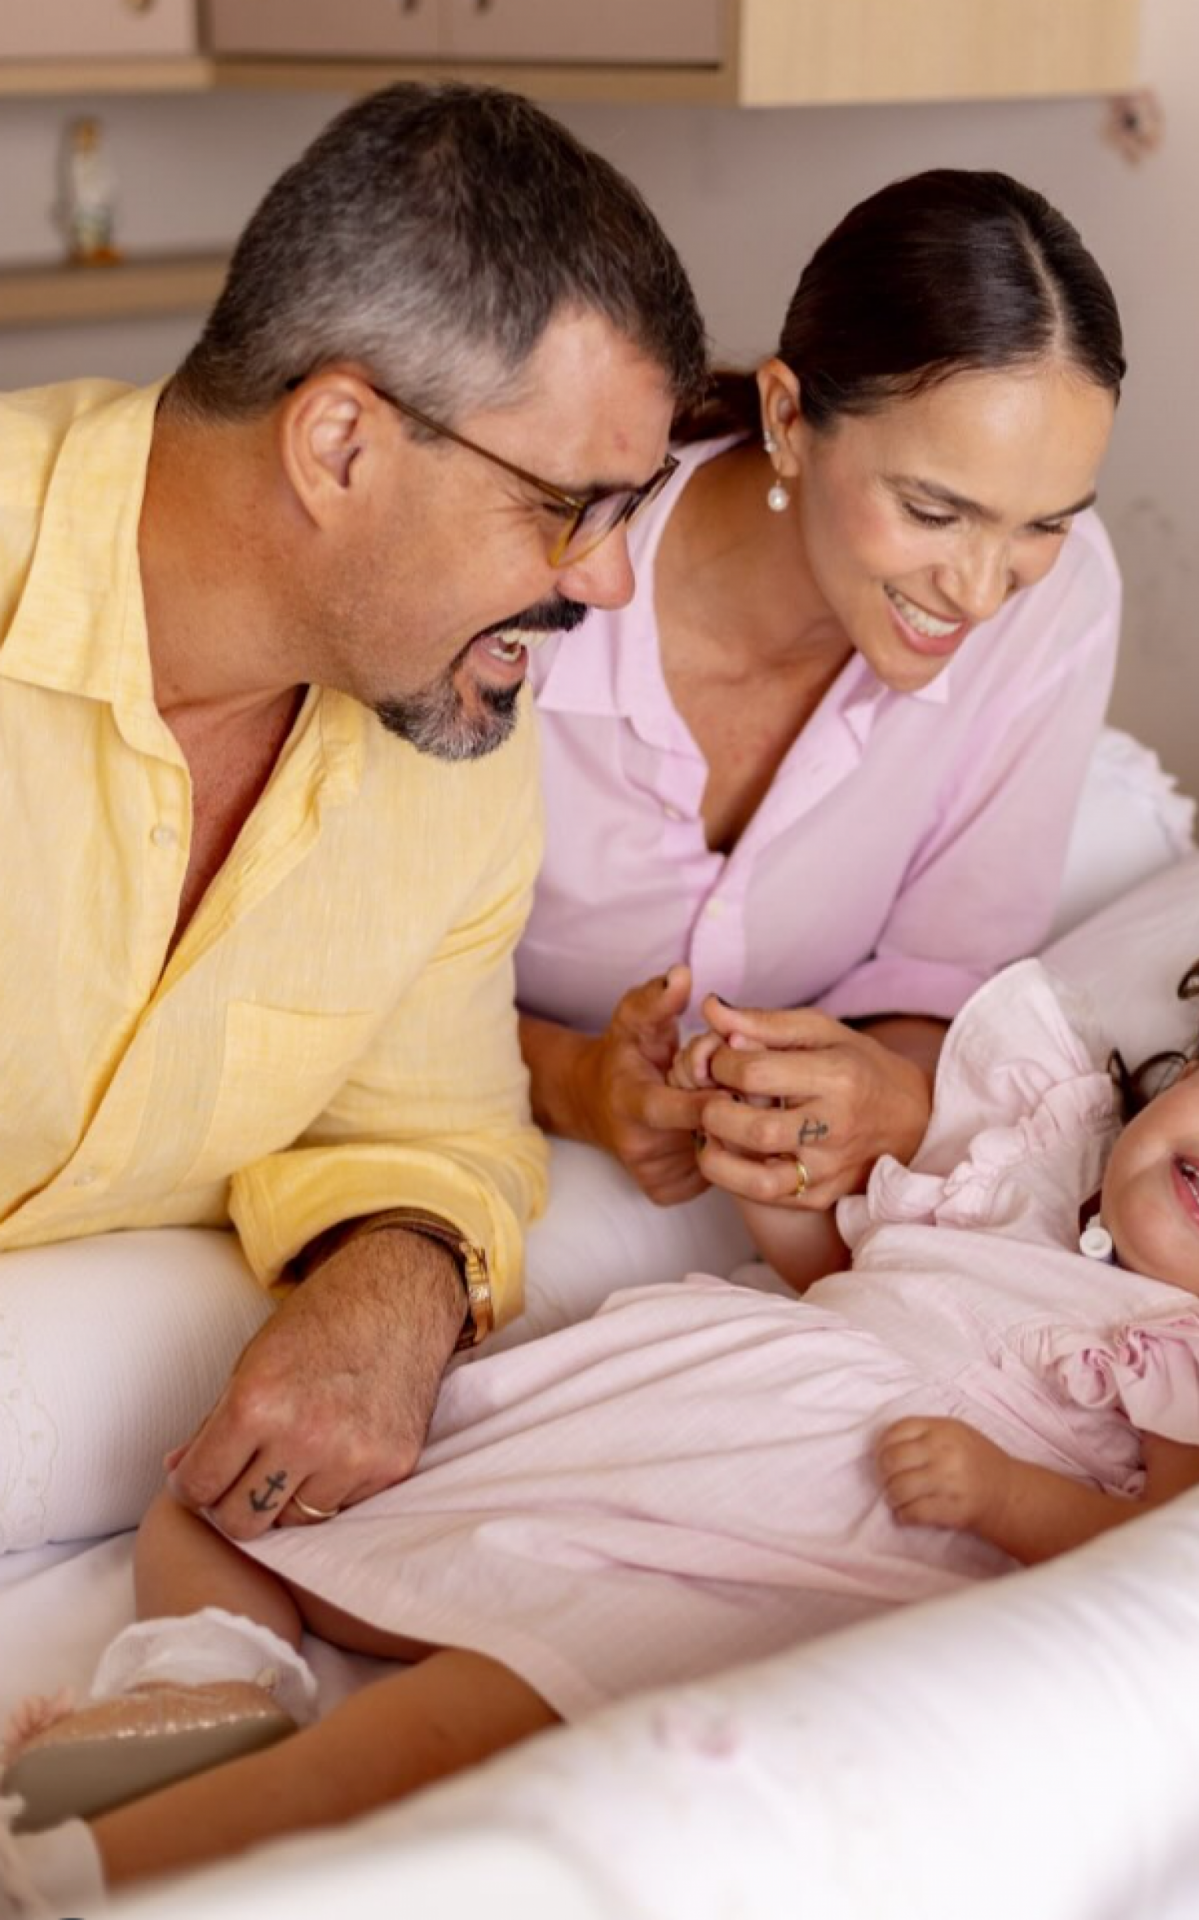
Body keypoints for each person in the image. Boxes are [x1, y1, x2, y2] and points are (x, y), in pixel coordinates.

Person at [7, 949, 1199, 1909]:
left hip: (789, 1524)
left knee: (472, 1710)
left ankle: (83, 1880)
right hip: (667, 1410)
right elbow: (842, 1262)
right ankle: (212, 1676)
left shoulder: (1181, 1353)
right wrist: (754, 1176)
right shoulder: (1029, 1161)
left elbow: (1152, 1554)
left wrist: (1001, 1496)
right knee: (238, 1489)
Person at [0, 80, 706, 1546]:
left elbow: (436, 1131)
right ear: (337, 445)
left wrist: (401, 1282)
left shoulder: (449, 746)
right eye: (568, 507)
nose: (607, 583)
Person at [516, 168, 1126, 1247]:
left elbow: (939, 975)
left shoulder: (1058, 602)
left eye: (1042, 523)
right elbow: (344, 974)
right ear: (788, 417)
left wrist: (893, 1084)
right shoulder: (536, 585)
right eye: (933, 510)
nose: (982, 593)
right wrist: (571, 1082)